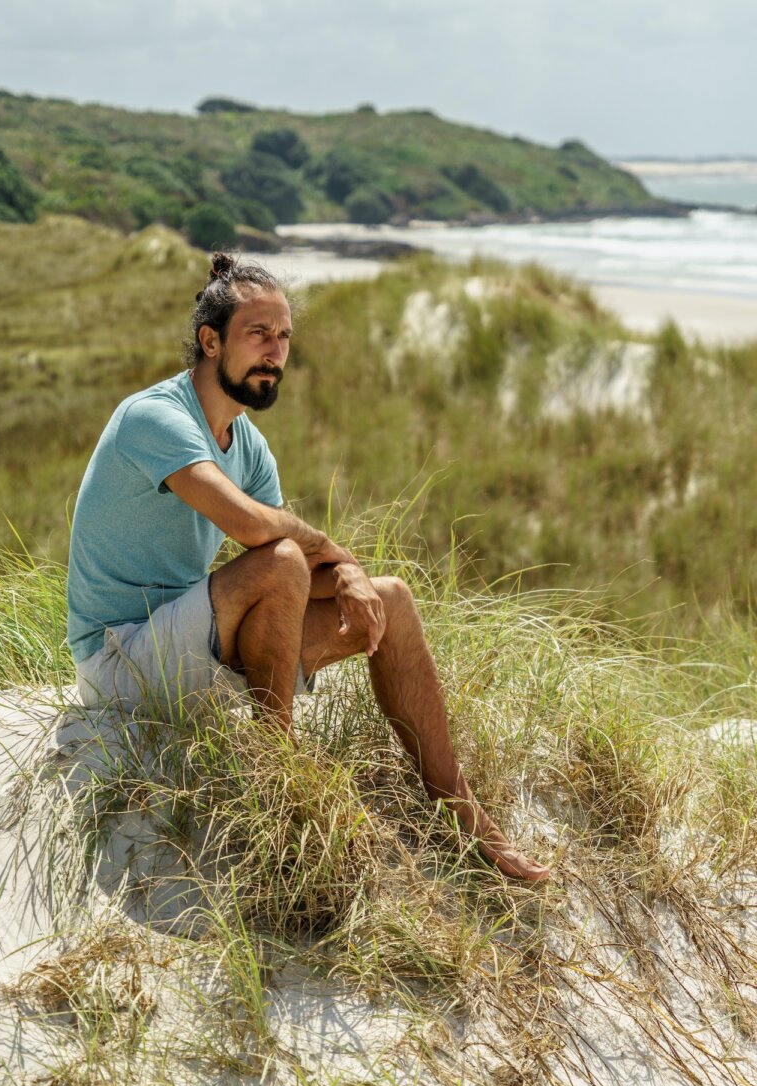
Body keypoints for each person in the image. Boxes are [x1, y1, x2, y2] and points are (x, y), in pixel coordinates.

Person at [67, 253, 549, 883]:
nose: (275, 352)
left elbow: (288, 563)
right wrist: (332, 553)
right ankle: (281, 778)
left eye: (284, 336)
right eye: (258, 334)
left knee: (393, 597)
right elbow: (257, 532)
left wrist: (348, 571)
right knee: (287, 557)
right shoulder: (156, 417)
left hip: (192, 649)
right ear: (211, 341)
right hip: (120, 663)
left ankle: (460, 808)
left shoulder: (250, 446)